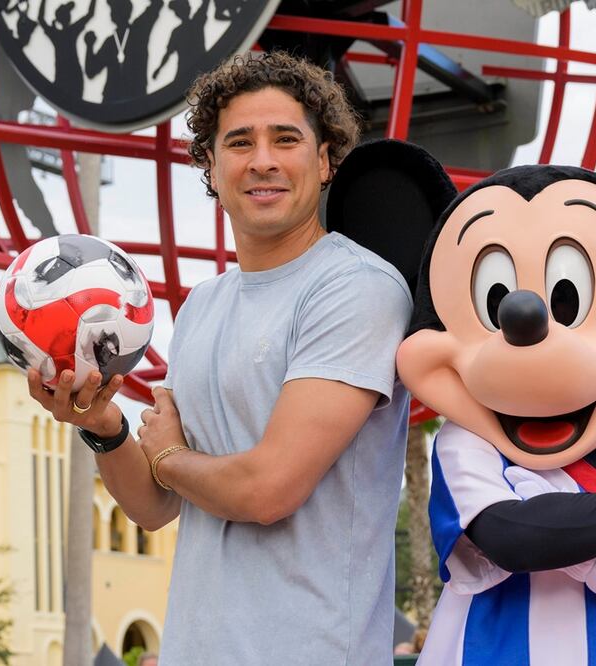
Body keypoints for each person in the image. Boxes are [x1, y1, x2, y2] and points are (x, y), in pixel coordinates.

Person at [29, 51, 412, 664]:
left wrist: (170, 457)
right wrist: (102, 426)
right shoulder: (202, 305)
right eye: (239, 142)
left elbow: (267, 489)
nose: (262, 160)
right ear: (209, 163)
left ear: (323, 160)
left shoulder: (357, 288)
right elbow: (155, 505)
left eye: (285, 139)